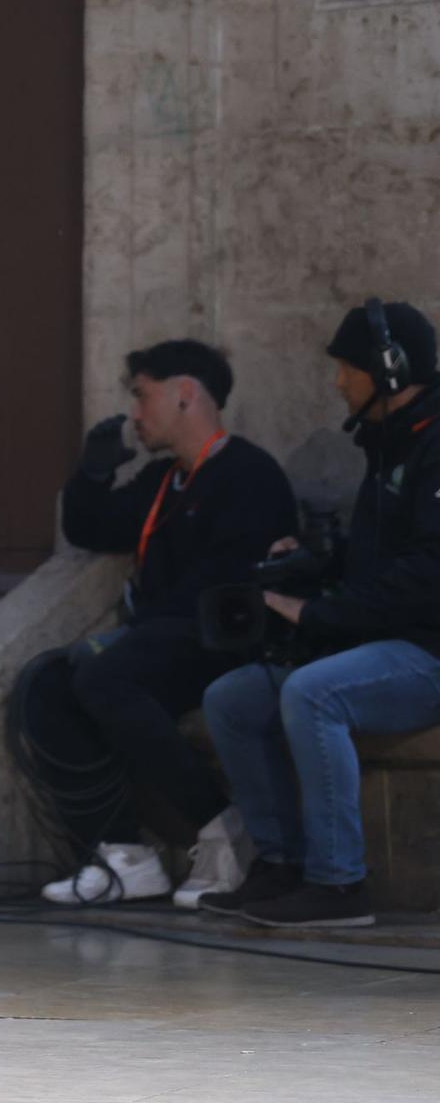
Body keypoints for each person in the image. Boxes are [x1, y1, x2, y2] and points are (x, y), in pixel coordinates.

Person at [19, 341, 297, 906]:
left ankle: (222, 826)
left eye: (142, 397)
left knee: (104, 672)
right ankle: (125, 855)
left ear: (185, 393)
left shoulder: (248, 473)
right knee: (45, 683)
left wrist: (133, 639)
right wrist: (92, 474)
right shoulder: (163, 480)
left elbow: (228, 589)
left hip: (224, 641)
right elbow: (91, 528)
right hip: (160, 642)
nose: (135, 415)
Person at [199, 301, 440, 929]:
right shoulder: (389, 443)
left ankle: (338, 885)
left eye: (347, 368)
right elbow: (378, 556)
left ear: (389, 369)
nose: (338, 381)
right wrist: (314, 562)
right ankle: (280, 864)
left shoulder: (435, 444)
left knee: (313, 693)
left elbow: (428, 577)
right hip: (378, 641)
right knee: (231, 699)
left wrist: (317, 613)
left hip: (427, 652)